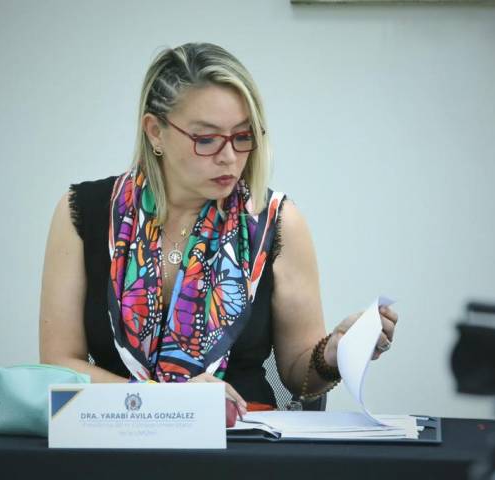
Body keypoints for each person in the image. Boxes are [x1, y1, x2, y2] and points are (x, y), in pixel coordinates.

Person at [38, 42, 398, 415]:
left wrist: (335, 352)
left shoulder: (276, 222)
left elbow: (299, 377)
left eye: (242, 136)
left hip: (242, 438)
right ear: (155, 132)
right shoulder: (84, 212)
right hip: (116, 432)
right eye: (206, 139)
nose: (228, 157)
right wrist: (165, 400)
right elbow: (58, 366)